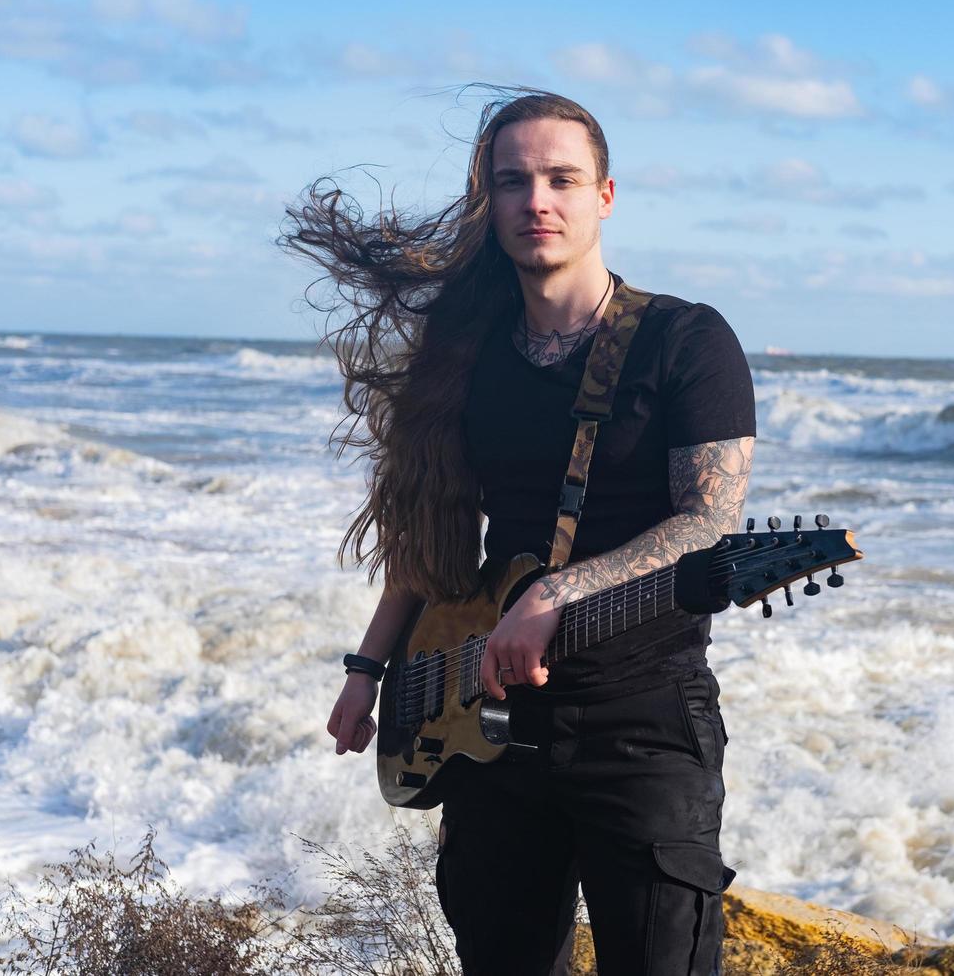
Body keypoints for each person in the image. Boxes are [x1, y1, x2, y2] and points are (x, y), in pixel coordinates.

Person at [281, 87, 756, 976]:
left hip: (641, 721)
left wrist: (556, 590)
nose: (537, 200)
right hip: (485, 724)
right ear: (489, 202)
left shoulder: (685, 342)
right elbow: (431, 539)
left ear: (604, 197)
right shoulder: (466, 357)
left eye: (561, 179)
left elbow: (710, 522)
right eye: (513, 181)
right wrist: (367, 669)